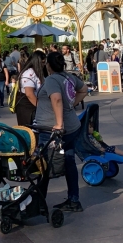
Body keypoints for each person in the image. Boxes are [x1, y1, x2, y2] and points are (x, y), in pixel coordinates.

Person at [35, 51, 88, 213]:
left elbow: (56, 98)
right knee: (69, 160)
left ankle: (38, 202)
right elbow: (84, 89)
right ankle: (73, 199)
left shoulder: (51, 80)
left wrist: (59, 123)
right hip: (72, 127)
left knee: (44, 163)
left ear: (48, 65)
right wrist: (71, 105)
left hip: (53, 129)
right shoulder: (68, 77)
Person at [14, 50, 46, 127]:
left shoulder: (37, 72)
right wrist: (41, 107)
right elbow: (29, 93)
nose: (44, 64)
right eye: (42, 62)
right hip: (27, 108)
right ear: (37, 62)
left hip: (33, 106)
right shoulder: (29, 74)